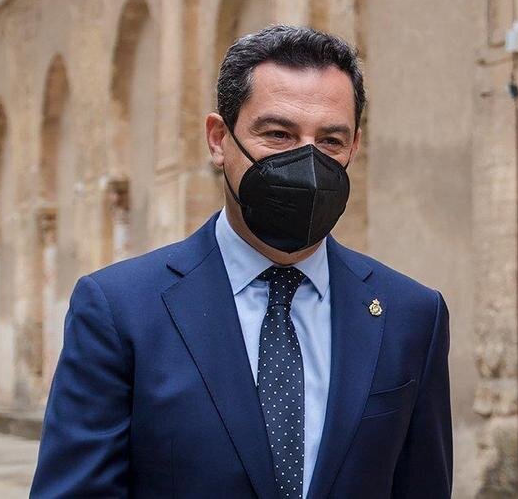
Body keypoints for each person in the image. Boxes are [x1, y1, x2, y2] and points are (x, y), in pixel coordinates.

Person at [30, 25, 452, 498]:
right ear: (218, 140)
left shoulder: (412, 315)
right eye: (278, 134)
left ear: (354, 146)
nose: (307, 162)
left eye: (330, 141)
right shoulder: (119, 310)